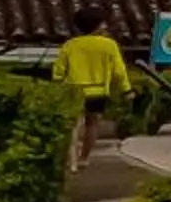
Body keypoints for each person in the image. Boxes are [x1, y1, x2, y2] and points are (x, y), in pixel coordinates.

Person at [54, 23, 133, 165]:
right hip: (99, 91)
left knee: (74, 126)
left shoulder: (70, 45)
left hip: (74, 90)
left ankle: (72, 160)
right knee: (92, 124)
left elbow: (59, 70)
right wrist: (126, 90)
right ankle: (84, 158)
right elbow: (119, 72)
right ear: (98, 27)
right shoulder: (109, 45)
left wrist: (58, 85)